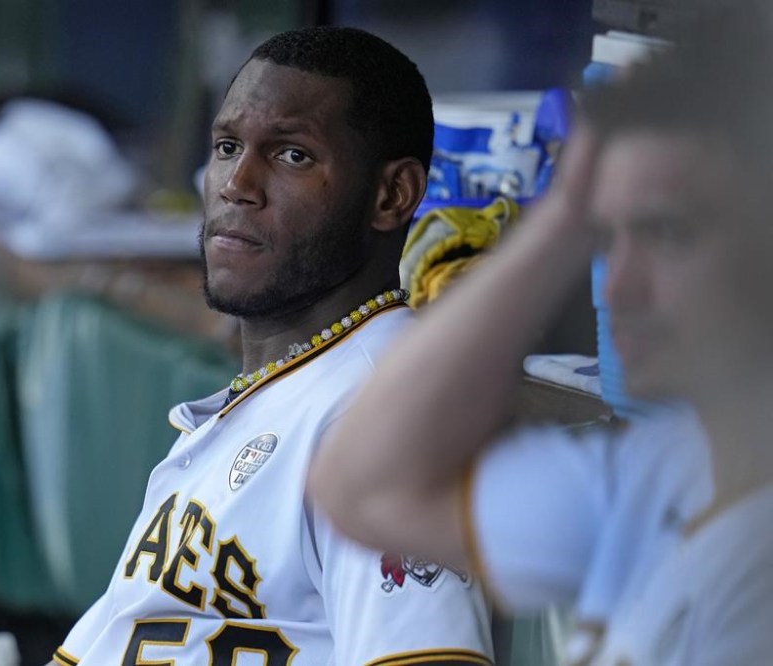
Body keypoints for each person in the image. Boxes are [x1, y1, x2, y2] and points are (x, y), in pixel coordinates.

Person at [309, 8, 773, 665]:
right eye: (606, 238)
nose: (618, 288)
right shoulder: (659, 475)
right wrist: (565, 212)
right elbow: (359, 486)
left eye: (669, 233)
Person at [48, 26, 493, 665]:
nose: (237, 183)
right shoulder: (290, 389)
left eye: (292, 156)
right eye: (228, 146)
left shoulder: (381, 414)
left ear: (391, 195)